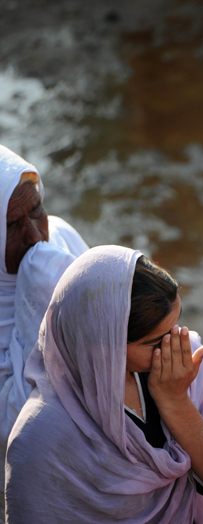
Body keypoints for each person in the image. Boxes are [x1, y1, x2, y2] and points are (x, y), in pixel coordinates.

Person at [5, 246, 203, 523]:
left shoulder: (182, 368)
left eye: (176, 326)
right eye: (154, 342)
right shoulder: (42, 437)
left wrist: (176, 402)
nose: (175, 344)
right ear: (101, 346)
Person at [0, 145, 89, 505]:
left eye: (37, 211)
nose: (36, 236)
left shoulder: (61, 240)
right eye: (10, 225)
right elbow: (13, 430)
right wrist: (39, 313)